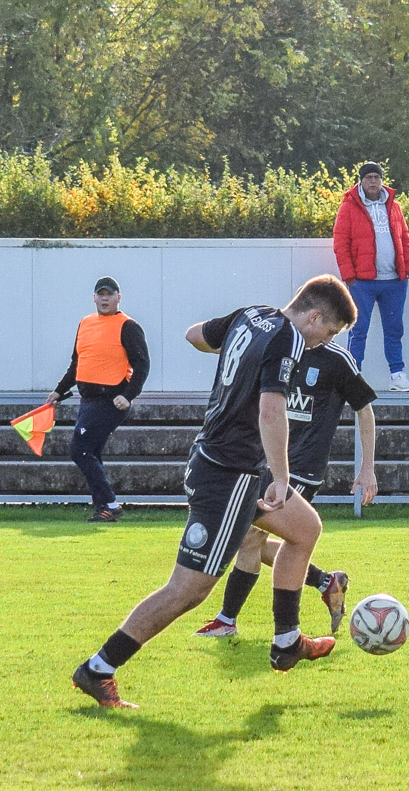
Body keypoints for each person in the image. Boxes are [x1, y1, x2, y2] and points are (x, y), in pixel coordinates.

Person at [69, 276, 357, 708]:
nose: (325, 341)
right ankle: (98, 669)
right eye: (329, 332)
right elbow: (271, 409)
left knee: (304, 528)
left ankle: (286, 640)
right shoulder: (290, 340)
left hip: (232, 462)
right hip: (229, 473)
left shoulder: (252, 315)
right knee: (188, 590)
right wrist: (282, 477)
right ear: (314, 316)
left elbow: (195, 336)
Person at [195, 339, 379, 639]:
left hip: (302, 468)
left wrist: (367, 468)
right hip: (267, 462)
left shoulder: (337, 359)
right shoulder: (281, 347)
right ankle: (326, 582)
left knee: (250, 537)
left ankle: (227, 620)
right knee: (248, 539)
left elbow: (364, 409)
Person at [47, 277, 150, 522]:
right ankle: (103, 508)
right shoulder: (85, 323)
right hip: (88, 401)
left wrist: (128, 395)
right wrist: (59, 391)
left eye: (109, 294)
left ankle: (110, 504)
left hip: (111, 401)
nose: (105, 298)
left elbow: (142, 365)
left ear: (118, 298)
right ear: (94, 297)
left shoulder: (128, 326)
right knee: (90, 452)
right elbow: (77, 363)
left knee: (79, 449)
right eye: (100, 294)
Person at [333, 161, 409, 392]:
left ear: (382, 180)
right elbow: (340, 243)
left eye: (376, 177)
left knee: (394, 330)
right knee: (358, 330)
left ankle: (397, 375)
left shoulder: (393, 206)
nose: (373, 181)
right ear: (361, 181)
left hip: (394, 281)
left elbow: (404, 237)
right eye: (368, 177)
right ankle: (352, 377)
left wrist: (406, 269)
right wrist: (349, 276)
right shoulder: (348, 207)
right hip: (362, 283)